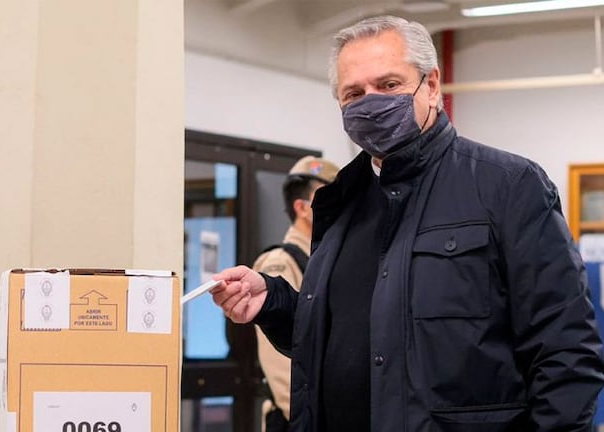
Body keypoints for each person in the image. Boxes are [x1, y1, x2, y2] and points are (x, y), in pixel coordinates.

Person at [210, 15, 604, 432]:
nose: (371, 101)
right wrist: (273, 302)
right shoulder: (341, 203)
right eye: (354, 93)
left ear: (431, 86)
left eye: (389, 85)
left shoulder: (507, 186)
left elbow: (566, 352)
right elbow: (357, 337)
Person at [253, 155, 339, 432]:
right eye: (328, 197)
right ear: (302, 208)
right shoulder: (281, 262)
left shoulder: (327, 258)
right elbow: (280, 367)